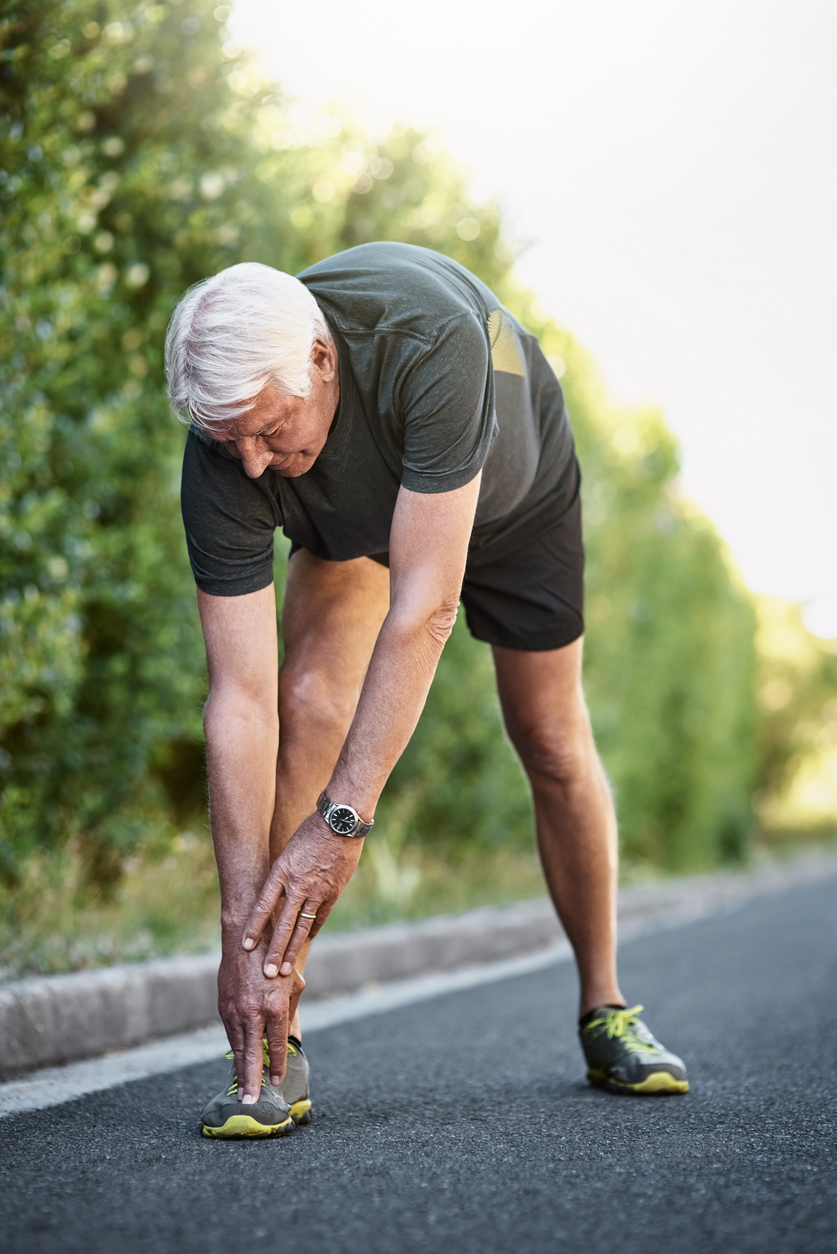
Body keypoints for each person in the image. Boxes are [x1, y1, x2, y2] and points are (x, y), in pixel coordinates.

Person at [165, 242, 688, 1139]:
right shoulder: (228, 449)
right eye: (227, 440)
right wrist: (237, 941)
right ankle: (272, 1037)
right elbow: (237, 701)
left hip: (517, 507)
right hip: (363, 528)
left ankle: (605, 1005)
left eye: (266, 429)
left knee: (551, 737)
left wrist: (342, 826)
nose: (249, 462)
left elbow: (426, 608)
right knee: (304, 700)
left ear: (321, 363)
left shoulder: (425, 335)